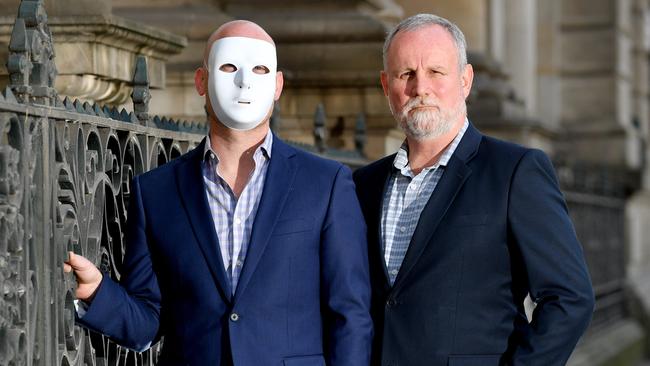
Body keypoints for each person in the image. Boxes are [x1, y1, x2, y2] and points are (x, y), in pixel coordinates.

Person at [64, 20, 373, 366]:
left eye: (259, 68)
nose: (244, 81)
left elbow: (349, 314)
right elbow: (148, 322)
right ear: (201, 81)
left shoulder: (326, 183)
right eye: (229, 67)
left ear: (277, 85)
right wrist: (97, 294)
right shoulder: (156, 192)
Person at [352, 13, 594, 366]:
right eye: (406, 74)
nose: (421, 88)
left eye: (436, 72)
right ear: (387, 86)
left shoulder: (514, 172)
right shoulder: (363, 185)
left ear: (465, 80)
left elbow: (570, 298)